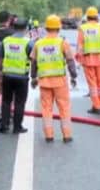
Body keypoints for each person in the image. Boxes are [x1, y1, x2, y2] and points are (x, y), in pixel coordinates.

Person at [30, 14, 77, 143]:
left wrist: (33, 78)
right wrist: (74, 76)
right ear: (58, 28)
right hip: (60, 82)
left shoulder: (38, 44)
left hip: (44, 82)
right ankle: (67, 135)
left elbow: (33, 63)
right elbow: (70, 61)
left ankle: (49, 135)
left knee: (46, 109)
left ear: (46, 28)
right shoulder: (62, 43)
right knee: (64, 108)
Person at [0, 18, 33, 134]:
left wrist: (1, 72)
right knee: (19, 102)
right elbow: (33, 58)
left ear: (13, 28)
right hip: (22, 77)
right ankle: (17, 127)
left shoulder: (6, 41)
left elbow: (1, 58)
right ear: (26, 29)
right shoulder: (28, 42)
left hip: (7, 76)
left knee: (6, 101)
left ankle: (4, 125)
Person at [76, 6, 100, 114]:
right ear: (96, 16)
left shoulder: (83, 28)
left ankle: (96, 106)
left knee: (92, 84)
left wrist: (79, 59)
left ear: (87, 17)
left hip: (88, 60)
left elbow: (80, 46)